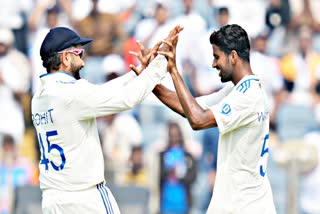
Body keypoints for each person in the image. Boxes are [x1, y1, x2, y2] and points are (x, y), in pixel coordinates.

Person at [130, 24, 276, 213]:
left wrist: (173, 70)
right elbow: (189, 107)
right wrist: (150, 80)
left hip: (244, 206)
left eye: (216, 57)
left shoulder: (247, 96)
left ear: (233, 56)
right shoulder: (239, 90)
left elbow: (197, 120)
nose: (213, 64)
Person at [31, 26, 178, 213]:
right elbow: (128, 99)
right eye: (78, 52)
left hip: (53, 199)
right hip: (84, 198)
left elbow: (101, 92)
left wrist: (137, 72)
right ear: (65, 58)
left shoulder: (39, 97)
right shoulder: (71, 93)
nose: (82, 61)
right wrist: (161, 62)